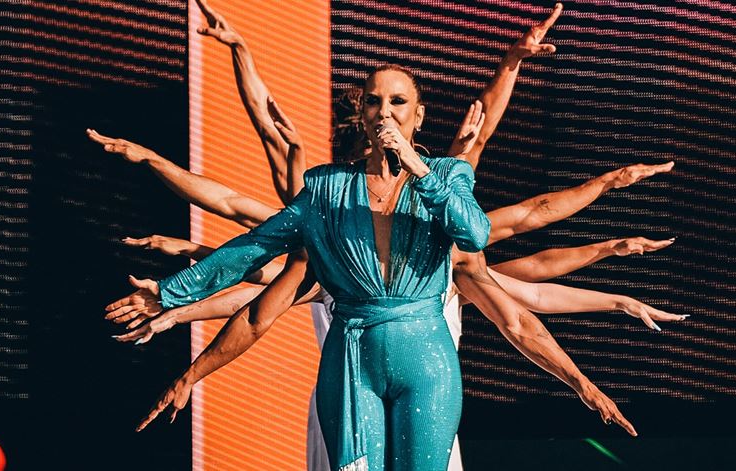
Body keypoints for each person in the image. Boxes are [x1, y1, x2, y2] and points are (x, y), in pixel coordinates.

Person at [103, 58, 655, 469]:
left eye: (396, 102)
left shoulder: (448, 179)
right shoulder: (324, 191)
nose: (383, 111)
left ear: (417, 115)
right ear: (360, 113)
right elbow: (248, 257)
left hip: (428, 362)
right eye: (372, 101)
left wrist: (582, 382)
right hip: (351, 356)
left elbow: (479, 234)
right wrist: (170, 300)